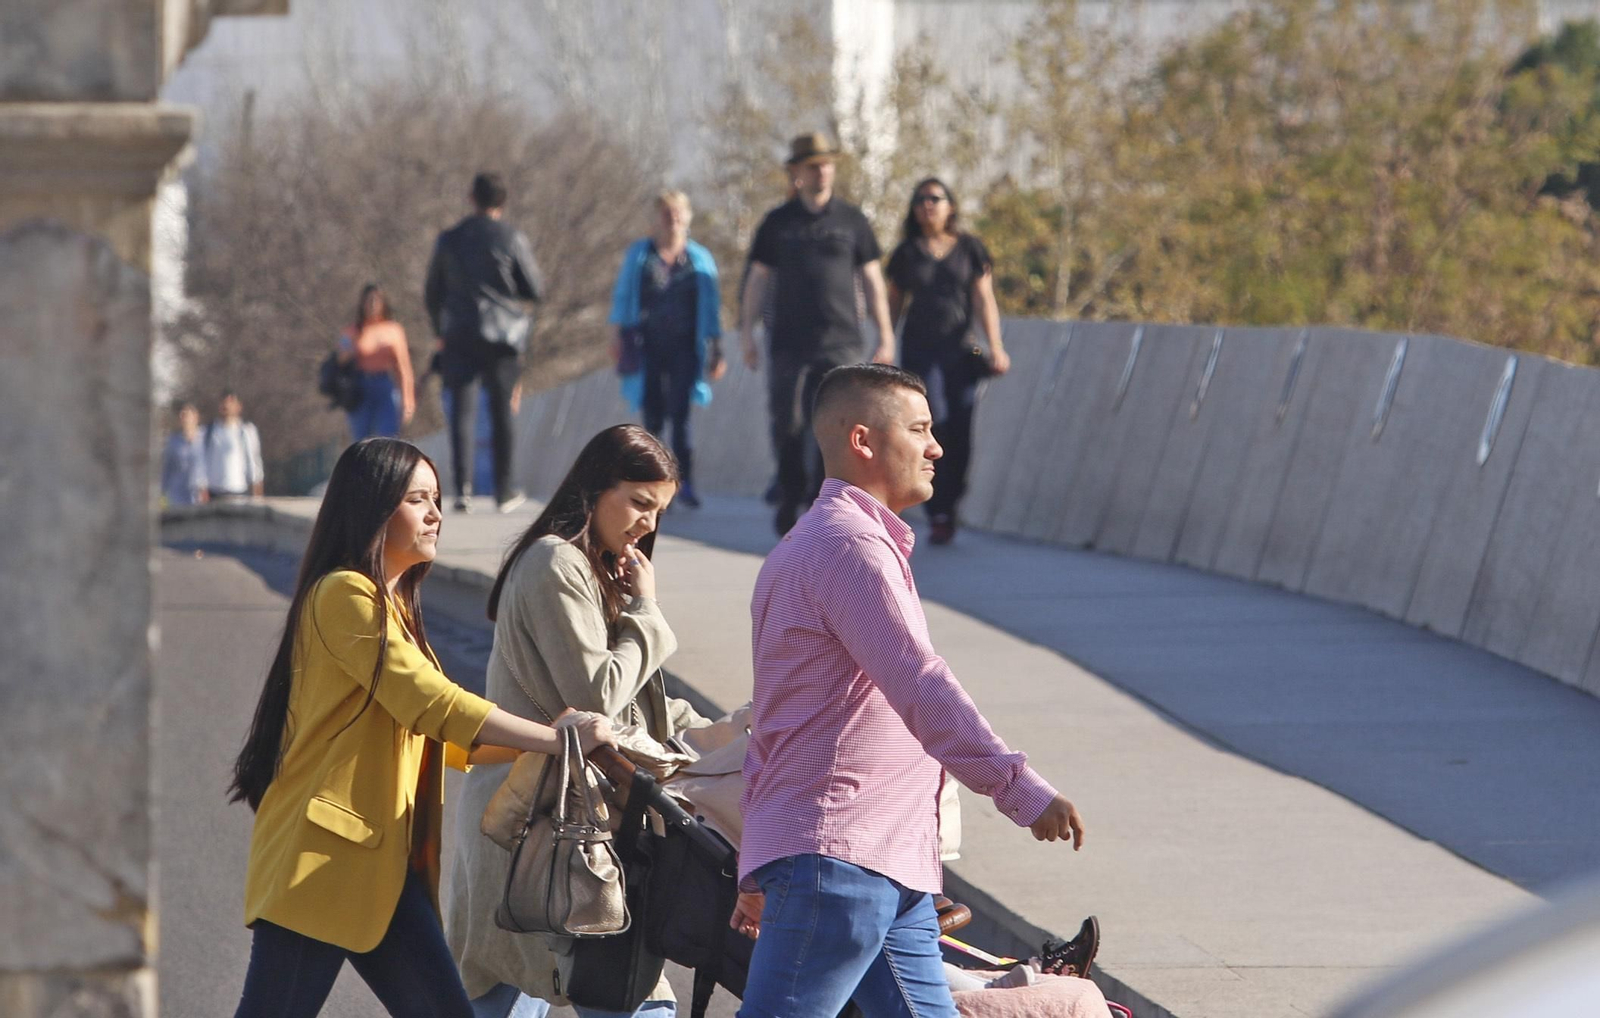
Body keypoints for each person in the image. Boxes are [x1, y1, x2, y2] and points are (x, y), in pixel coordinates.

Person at [731, 364, 1085, 1018]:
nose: (936, 447)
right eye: (920, 429)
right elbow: (920, 681)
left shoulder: (810, 546)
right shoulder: (849, 547)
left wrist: (759, 853)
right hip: (840, 860)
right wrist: (1017, 787)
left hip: (882, 867)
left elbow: (772, 721)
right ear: (863, 440)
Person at [228, 437, 615, 1018]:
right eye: (418, 499)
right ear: (374, 507)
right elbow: (432, 703)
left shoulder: (393, 604)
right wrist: (557, 738)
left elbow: (442, 734)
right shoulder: (344, 594)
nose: (436, 513)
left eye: (436, 497)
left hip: (382, 869)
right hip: (323, 867)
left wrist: (545, 739)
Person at [446, 423, 710, 1018]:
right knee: (606, 992)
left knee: (563, 987)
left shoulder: (594, 568)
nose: (647, 522)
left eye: (658, 510)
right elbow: (600, 693)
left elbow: (638, 703)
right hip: (533, 821)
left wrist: (725, 732)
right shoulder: (554, 563)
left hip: (569, 820)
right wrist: (646, 609)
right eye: (639, 502)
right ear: (594, 488)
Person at [740, 132, 895, 535]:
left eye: (827, 164)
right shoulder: (778, 223)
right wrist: (746, 333)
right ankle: (790, 493)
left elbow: (873, 279)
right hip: (789, 342)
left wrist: (886, 335)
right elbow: (757, 280)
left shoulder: (852, 220)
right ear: (797, 173)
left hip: (842, 340)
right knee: (787, 423)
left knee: (840, 425)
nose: (822, 171)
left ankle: (821, 497)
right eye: (813, 165)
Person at [886, 177, 1010, 546]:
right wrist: (884, 343)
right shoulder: (906, 253)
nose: (928, 204)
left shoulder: (970, 249)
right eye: (921, 198)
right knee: (932, 422)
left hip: (959, 352)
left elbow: (983, 299)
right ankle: (935, 509)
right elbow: (893, 303)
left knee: (960, 427)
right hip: (919, 353)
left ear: (950, 206)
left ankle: (951, 504)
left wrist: (997, 346)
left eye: (935, 198)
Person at [425, 171, 544, 514]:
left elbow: (432, 291)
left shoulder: (449, 239)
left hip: (459, 332)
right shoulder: (511, 237)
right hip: (502, 336)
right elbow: (534, 288)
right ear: (502, 203)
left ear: (471, 198)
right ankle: (503, 491)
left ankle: (461, 489)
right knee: (501, 410)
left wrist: (440, 329)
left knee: (461, 412)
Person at [608, 191, 724, 508]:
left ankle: (683, 484)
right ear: (656, 218)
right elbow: (623, 295)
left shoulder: (699, 258)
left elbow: (712, 309)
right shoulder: (641, 255)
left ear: (687, 217)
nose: (672, 218)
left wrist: (717, 350)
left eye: (677, 212)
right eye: (666, 213)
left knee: (681, 416)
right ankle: (652, 482)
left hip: (686, 347)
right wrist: (618, 334)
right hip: (647, 347)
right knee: (653, 416)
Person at [339, 283, 416, 441]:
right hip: (360, 386)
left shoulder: (393, 330)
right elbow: (341, 358)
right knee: (361, 439)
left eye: (376, 300)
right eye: (369, 301)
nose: (372, 305)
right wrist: (354, 347)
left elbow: (403, 368)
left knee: (389, 436)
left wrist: (408, 400)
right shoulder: (352, 331)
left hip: (384, 385)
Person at [204, 389, 264, 500]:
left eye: (230, 402)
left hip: (239, 491)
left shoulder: (246, 431)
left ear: (238, 406)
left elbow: (255, 462)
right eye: (223, 402)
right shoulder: (209, 431)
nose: (226, 405)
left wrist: (257, 492)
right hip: (214, 492)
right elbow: (202, 462)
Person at [160, 400, 209, 506]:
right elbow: (167, 468)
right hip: (178, 495)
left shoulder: (206, 437)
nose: (184, 418)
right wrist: (161, 492)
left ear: (196, 416)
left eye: (187, 414)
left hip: (200, 494)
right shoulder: (173, 441)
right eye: (181, 415)